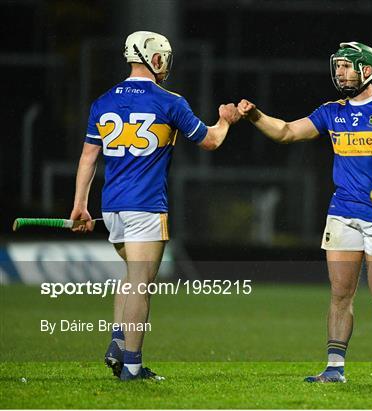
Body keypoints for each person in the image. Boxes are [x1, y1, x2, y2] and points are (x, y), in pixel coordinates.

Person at [237, 42, 372, 383]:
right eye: (337, 66)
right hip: (342, 212)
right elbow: (287, 132)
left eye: (346, 66)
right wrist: (255, 115)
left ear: (367, 71)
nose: (339, 72)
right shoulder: (331, 112)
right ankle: (335, 368)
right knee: (341, 293)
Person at [70, 31, 240, 381]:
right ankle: (131, 366)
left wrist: (80, 206)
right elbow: (210, 141)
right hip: (146, 205)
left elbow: (88, 156)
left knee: (131, 277)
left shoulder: (102, 101)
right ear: (156, 59)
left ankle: (118, 342)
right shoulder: (169, 101)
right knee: (141, 284)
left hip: (113, 206)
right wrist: (226, 121)